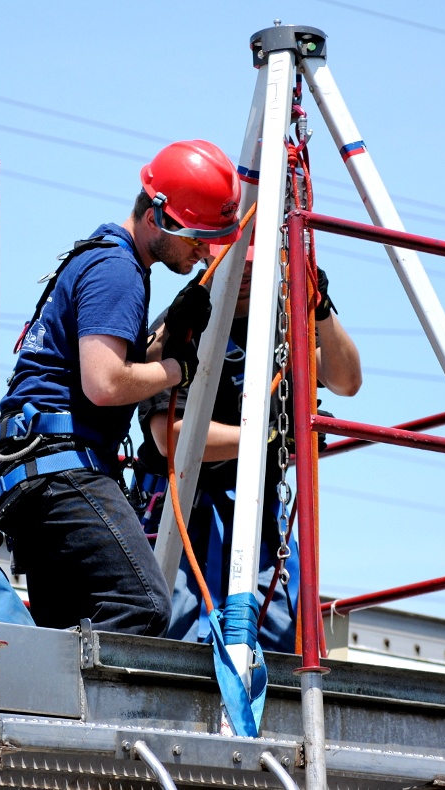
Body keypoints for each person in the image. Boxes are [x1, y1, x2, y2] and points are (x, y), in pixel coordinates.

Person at [0, 140, 242, 636]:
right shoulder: (118, 271)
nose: (205, 250)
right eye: (196, 237)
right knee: (144, 604)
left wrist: (165, 343)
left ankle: (58, 714)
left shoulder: (104, 258)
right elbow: (104, 384)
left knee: (68, 625)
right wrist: (176, 370)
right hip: (63, 472)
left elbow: (98, 372)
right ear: (157, 217)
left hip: (36, 471)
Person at [134, 244, 362, 651]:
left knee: (272, 634)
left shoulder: (285, 320)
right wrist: (265, 437)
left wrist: (320, 307)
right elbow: (172, 439)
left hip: (257, 508)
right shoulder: (182, 324)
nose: (243, 269)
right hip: (183, 506)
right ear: (208, 257)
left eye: (253, 259)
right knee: (178, 630)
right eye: (234, 257)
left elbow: (347, 381)